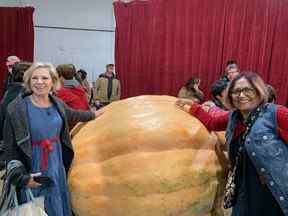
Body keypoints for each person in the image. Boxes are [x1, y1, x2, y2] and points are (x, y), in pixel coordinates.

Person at [176, 72, 288, 216]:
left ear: (259, 91)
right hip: (243, 188)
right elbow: (212, 123)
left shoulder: (276, 114)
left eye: (247, 90)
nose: (241, 95)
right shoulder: (233, 117)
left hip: (272, 190)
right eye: (236, 91)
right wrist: (194, 107)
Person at [1, 62, 104, 216]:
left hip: (55, 163)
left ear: (53, 81)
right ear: (28, 81)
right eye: (35, 78)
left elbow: (73, 114)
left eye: (44, 78)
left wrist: (94, 114)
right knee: (35, 206)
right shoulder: (16, 108)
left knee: (56, 201)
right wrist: (21, 178)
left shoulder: (57, 103)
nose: (40, 82)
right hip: (32, 165)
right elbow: (10, 147)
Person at [56, 64, 90, 129]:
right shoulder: (79, 88)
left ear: (61, 77)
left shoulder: (62, 92)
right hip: (83, 126)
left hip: (71, 129)